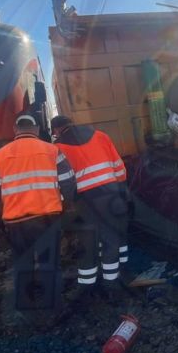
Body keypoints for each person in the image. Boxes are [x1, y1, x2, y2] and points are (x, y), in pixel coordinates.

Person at [0, 115, 75, 317]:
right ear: (36, 129)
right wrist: (66, 207)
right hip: (48, 217)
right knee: (49, 262)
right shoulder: (53, 150)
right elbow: (68, 183)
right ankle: (53, 310)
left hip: (16, 221)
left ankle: (26, 309)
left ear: (15, 130)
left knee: (23, 263)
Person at [50, 115, 129, 294]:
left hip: (84, 200)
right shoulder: (100, 136)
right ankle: (112, 283)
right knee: (111, 237)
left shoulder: (58, 148)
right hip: (110, 193)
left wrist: (67, 202)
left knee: (88, 240)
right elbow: (119, 167)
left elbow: (63, 181)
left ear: (56, 130)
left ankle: (88, 287)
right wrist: (121, 189)